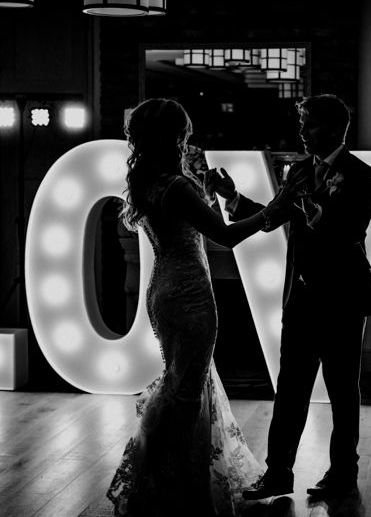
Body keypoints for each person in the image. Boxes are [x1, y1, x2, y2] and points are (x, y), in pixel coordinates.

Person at [205, 93, 371, 501]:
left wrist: (308, 205)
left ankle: (343, 474)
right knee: (290, 390)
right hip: (300, 301)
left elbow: (350, 231)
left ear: (336, 129)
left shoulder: (362, 175)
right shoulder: (299, 170)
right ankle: (278, 473)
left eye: (311, 124)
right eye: (301, 123)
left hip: (343, 302)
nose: (302, 131)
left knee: (342, 392)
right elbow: (272, 218)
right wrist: (231, 198)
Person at [106, 98, 278, 516]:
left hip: (162, 290)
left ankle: (163, 481)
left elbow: (192, 227)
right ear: (175, 136)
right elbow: (225, 236)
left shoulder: (149, 180)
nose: (189, 139)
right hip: (190, 294)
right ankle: (177, 491)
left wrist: (218, 194)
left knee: (181, 383)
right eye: (184, 132)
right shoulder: (178, 186)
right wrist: (277, 209)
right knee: (186, 391)